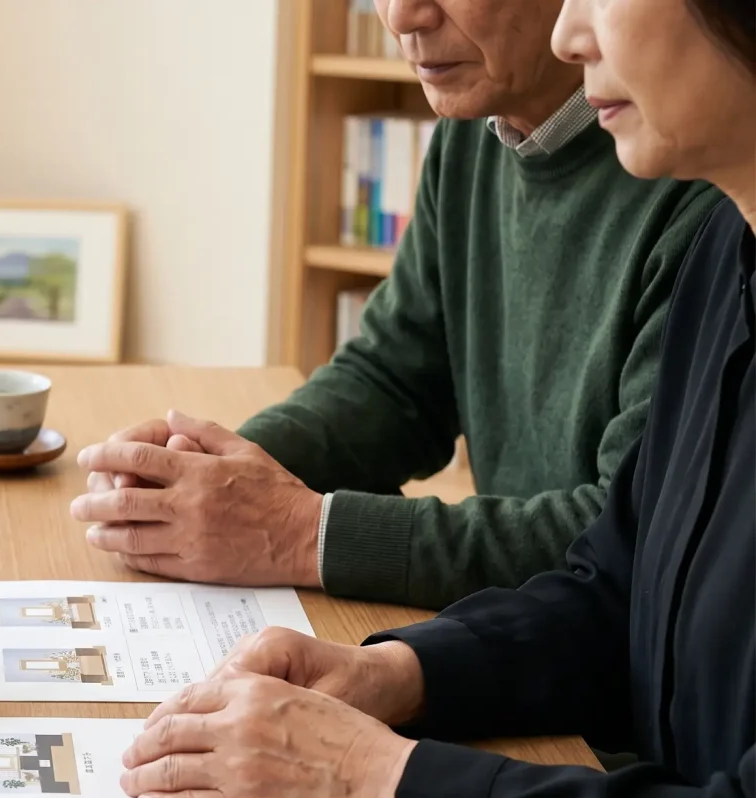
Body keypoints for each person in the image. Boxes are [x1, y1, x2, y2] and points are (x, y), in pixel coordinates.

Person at [117, 0, 756, 798]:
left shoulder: (693, 212)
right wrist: (395, 674)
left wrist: (379, 785)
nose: (569, 36)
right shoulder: (732, 247)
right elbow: (615, 584)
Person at [72, 0, 723, 609]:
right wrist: (212, 470)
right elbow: (395, 382)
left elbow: (630, 535)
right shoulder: (473, 134)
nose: (401, 16)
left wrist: (307, 534)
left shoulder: (709, 193)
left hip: (606, 692)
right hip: (518, 640)